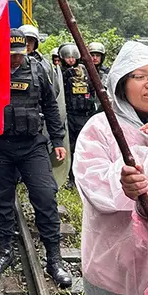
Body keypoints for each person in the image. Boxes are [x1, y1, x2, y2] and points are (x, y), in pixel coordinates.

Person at [82, 41, 148, 295]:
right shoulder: (101, 129)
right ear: (121, 84)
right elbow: (97, 189)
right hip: (114, 270)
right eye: (140, 76)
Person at [0, 29, 72, 288]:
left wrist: (58, 140)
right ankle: (4, 251)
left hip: (32, 145)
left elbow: (50, 106)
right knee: (0, 200)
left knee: (45, 197)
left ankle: (54, 259)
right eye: (11, 55)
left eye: (19, 54)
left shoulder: (37, 70)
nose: (15, 59)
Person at [61, 43, 97, 188]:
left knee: (84, 147)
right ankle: (70, 177)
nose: (70, 60)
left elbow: (94, 92)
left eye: (73, 57)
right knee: (70, 147)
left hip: (85, 115)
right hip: (70, 115)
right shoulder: (61, 73)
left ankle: (84, 177)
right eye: (67, 57)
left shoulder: (87, 73)